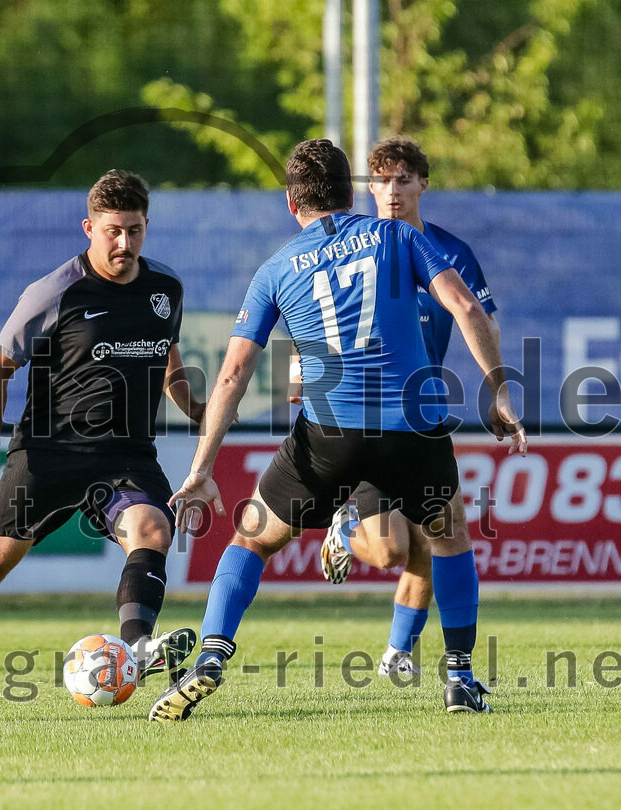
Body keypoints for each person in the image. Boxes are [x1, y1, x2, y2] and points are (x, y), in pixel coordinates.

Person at [149, 139, 526, 722]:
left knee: (251, 536)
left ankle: (211, 658)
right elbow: (469, 311)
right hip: (412, 427)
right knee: (448, 538)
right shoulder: (400, 237)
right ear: (352, 193)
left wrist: (200, 471)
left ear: (290, 203)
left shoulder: (275, 269)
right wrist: (497, 391)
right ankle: (460, 679)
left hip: (328, 433)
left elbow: (230, 377)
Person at [0, 170, 202, 703]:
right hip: (49, 453)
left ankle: (136, 649)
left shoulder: (166, 289)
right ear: (89, 227)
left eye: (134, 231)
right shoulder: (57, 290)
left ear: (146, 227)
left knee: (153, 528)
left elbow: (166, 357)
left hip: (126, 454)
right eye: (113, 231)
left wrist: (196, 406)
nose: (124, 243)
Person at [288, 137, 501, 679]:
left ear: (422, 185)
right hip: (362, 416)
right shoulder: (361, 245)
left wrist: (494, 383)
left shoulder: (449, 252)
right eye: (379, 181)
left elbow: (480, 316)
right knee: (388, 552)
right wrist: (299, 367)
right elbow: (319, 305)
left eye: (402, 179)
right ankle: (345, 519)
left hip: (419, 420)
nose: (390, 191)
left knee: (437, 538)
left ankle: (397, 653)